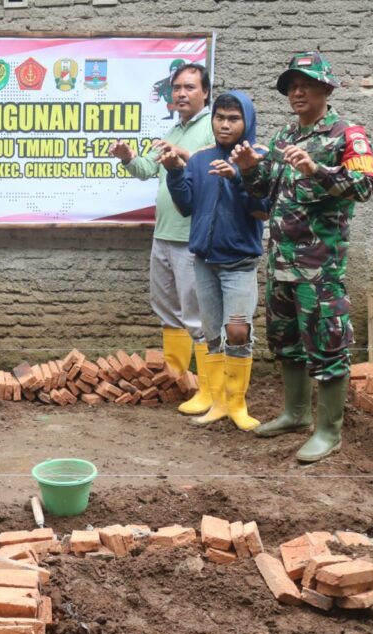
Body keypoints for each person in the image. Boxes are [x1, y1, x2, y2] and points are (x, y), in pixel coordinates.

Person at [230, 51, 373, 462]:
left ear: (326, 89)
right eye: (291, 85)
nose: (297, 92)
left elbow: (364, 186)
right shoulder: (284, 137)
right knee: (287, 341)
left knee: (329, 345)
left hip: (320, 268)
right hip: (281, 263)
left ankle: (328, 431)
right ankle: (295, 413)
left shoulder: (347, 134)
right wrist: (248, 170)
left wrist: (318, 170)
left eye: (306, 84)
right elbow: (268, 192)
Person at [109, 62, 215, 415]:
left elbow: (213, 168)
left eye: (189, 87)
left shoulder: (212, 129)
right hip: (164, 234)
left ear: (205, 93)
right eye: (177, 88)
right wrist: (128, 159)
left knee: (196, 314)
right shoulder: (175, 128)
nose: (181, 94)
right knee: (168, 309)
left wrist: (183, 154)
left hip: (192, 238)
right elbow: (148, 170)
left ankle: (208, 389)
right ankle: (177, 377)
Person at [163, 91, 268, 431]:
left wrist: (240, 176)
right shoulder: (200, 159)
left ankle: (237, 403)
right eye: (219, 117)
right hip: (204, 261)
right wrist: (176, 173)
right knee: (211, 333)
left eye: (233, 119)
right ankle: (217, 400)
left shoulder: (259, 157)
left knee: (237, 330)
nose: (224, 124)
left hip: (238, 262)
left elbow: (262, 208)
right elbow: (186, 207)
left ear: (247, 122)